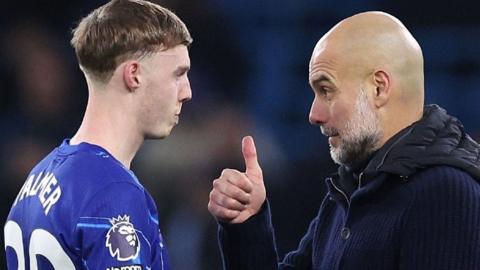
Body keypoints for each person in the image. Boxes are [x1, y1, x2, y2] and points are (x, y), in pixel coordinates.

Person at [207, 11, 480, 270]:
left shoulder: (446, 192)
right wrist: (247, 224)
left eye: (326, 90)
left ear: (379, 88)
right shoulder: (349, 193)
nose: (314, 114)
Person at [4, 0, 192, 269]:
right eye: (178, 74)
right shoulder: (113, 192)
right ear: (134, 75)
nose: (187, 92)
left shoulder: (37, 179)